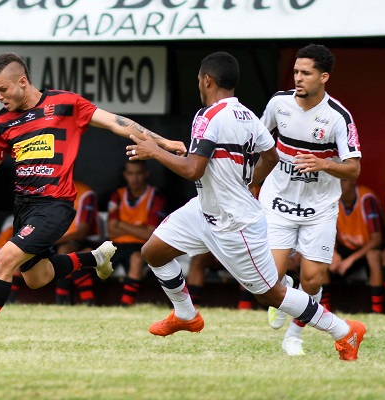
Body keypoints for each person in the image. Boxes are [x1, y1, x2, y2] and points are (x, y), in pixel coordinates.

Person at [127, 51, 365, 361]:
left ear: (207, 80)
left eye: (199, 79)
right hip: (204, 209)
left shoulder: (208, 116)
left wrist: (154, 150)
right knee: (153, 252)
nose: (198, 84)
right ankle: (186, 315)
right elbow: (271, 154)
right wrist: (250, 182)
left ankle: (344, 330)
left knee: (270, 294)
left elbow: (192, 170)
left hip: (234, 223)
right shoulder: (248, 115)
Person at [0, 52, 186, 352]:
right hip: (24, 207)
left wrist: (161, 142)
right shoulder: (1, 124)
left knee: (5, 260)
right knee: (36, 277)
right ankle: (95, 258)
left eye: (3, 89)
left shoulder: (65, 104)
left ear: (22, 81)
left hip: (55, 206)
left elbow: (117, 122)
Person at [256, 44, 362, 356]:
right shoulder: (279, 103)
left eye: (306, 73)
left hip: (319, 208)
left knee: (313, 281)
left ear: (324, 77)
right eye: (296, 72)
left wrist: (324, 163)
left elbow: (354, 168)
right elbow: (260, 140)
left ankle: (293, 336)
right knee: (266, 283)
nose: (298, 78)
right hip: (278, 202)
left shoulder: (338, 117)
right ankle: (285, 286)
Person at [0, 180, 101, 305]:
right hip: (46, 238)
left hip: (74, 241)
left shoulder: (85, 193)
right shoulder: (41, 190)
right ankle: (10, 302)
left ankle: (63, 301)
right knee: (18, 254)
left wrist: (47, 239)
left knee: (64, 250)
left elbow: (81, 233)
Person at [107, 160, 166, 306]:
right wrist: (139, 229)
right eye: (131, 174)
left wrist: (120, 224)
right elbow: (110, 230)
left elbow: (150, 234)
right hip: (116, 245)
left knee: (136, 259)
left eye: (139, 173)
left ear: (146, 174)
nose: (135, 178)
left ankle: (125, 305)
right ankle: (87, 302)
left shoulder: (155, 196)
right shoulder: (118, 195)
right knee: (92, 256)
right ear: (125, 175)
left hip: (142, 246)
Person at [329, 178, 384, 313]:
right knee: (322, 257)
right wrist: (333, 253)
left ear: (353, 180)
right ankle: (325, 311)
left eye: (344, 180)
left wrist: (350, 260)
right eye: (337, 181)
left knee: (373, 256)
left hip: (367, 248)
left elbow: (377, 239)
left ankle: (377, 311)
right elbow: (330, 232)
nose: (340, 184)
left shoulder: (366, 199)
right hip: (346, 248)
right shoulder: (333, 199)